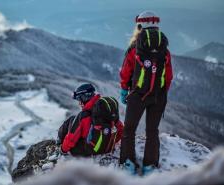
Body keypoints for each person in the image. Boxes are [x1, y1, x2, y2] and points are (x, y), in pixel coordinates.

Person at [119, 11, 173, 175]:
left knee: (129, 129)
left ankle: (128, 164)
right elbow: (169, 76)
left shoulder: (134, 49)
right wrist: (161, 94)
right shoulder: (165, 50)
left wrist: (124, 89)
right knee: (152, 131)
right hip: (158, 96)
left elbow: (125, 72)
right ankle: (150, 166)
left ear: (139, 26)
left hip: (137, 96)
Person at [58, 83, 124, 156]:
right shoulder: (104, 109)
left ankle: (59, 142)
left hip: (90, 150)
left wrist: (63, 150)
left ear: (85, 98)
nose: (79, 103)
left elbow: (71, 137)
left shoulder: (83, 116)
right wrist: (110, 143)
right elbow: (120, 128)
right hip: (107, 148)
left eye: (80, 99)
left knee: (72, 119)